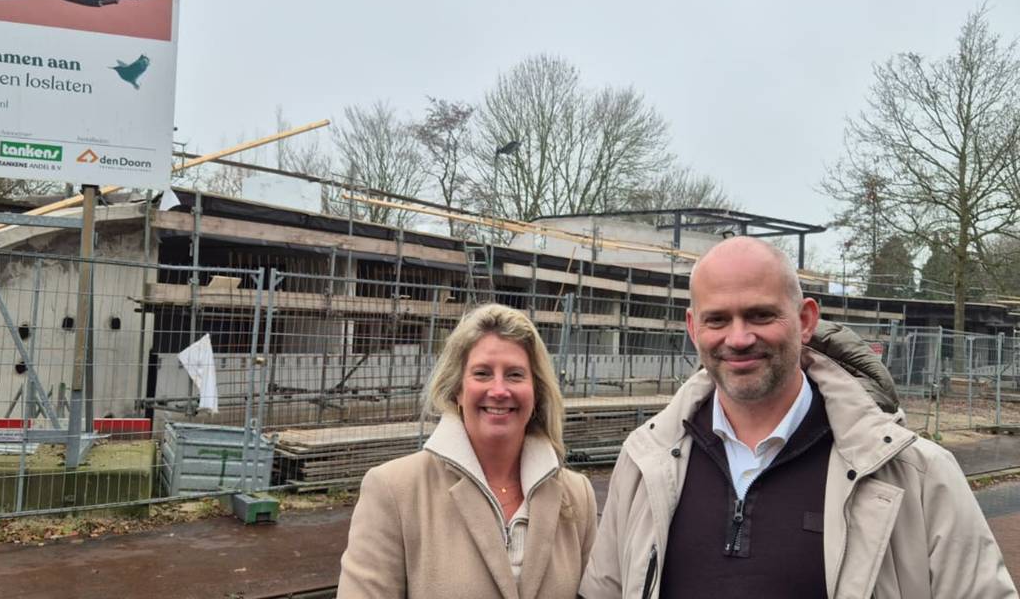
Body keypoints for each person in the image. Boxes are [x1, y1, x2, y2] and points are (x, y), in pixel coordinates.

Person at [579, 236, 1016, 598]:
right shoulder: (642, 463)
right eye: (718, 319)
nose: (739, 337)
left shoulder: (917, 475)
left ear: (805, 320)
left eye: (760, 314)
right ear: (694, 329)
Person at [338, 303, 597, 598]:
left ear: (536, 392)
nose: (499, 390)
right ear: (457, 390)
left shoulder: (577, 497)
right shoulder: (394, 491)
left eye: (514, 375)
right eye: (482, 373)